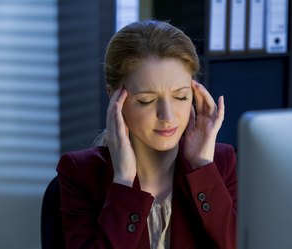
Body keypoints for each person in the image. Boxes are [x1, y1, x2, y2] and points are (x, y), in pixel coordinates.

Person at [57, 20, 237, 249]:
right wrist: (123, 181)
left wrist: (202, 166)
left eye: (181, 97)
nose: (168, 116)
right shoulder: (80, 173)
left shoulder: (220, 164)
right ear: (114, 97)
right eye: (147, 101)